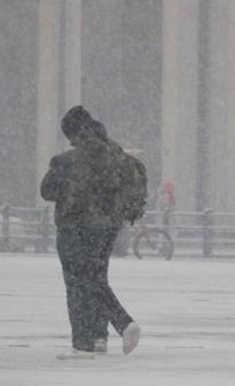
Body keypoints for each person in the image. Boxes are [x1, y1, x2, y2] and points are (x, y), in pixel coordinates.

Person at [40, 106, 141, 360]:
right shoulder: (114, 153)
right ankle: (99, 336)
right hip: (107, 227)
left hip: (75, 227)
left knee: (78, 284)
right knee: (96, 278)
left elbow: (47, 191)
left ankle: (92, 338)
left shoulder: (68, 161)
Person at [87, 119, 148, 354]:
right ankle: (100, 334)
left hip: (93, 225)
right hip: (112, 224)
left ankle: (118, 325)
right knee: (97, 277)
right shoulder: (120, 157)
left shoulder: (99, 158)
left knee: (90, 280)